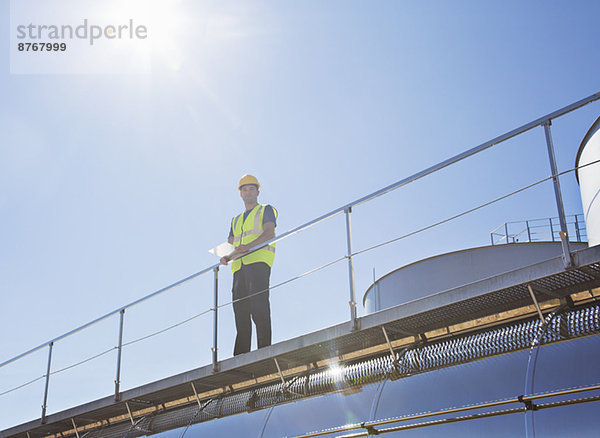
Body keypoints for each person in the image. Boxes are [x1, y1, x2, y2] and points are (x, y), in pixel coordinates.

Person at [220, 175, 277, 356]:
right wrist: (225, 257)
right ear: (240, 194)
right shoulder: (235, 220)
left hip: (258, 263)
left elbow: (269, 233)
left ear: (257, 191)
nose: (248, 192)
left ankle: (264, 351)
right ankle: (241, 355)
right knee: (240, 313)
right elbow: (230, 244)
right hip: (239, 268)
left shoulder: (266, 209)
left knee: (259, 308)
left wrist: (249, 247)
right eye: (244, 189)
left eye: (251, 189)